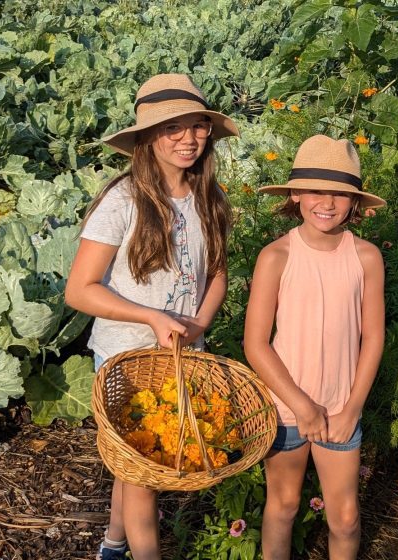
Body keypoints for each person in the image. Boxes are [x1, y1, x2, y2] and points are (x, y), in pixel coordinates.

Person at [65, 73, 239, 560]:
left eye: (199, 126)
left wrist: (199, 324)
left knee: (137, 461)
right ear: (146, 138)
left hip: (183, 354)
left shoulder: (211, 199)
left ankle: (113, 545)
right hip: (126, 356)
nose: (189, 139)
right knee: (143, 469)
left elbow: (217, 275)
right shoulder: (123, 202)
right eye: (173, 128)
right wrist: (151, 316)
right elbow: (79, 290)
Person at [243, 135, 386, 560]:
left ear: (354, 201)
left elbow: (372, 336)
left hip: (342, 409)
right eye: (316, 190)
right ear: (296, 195)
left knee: (345, 518)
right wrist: (302, 407)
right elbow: (256, 343)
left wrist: (352, 408)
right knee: (283, 506)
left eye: (340, 194)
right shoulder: (276, 256)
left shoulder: (366, 257)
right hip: (288, 410)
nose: (327, 202)